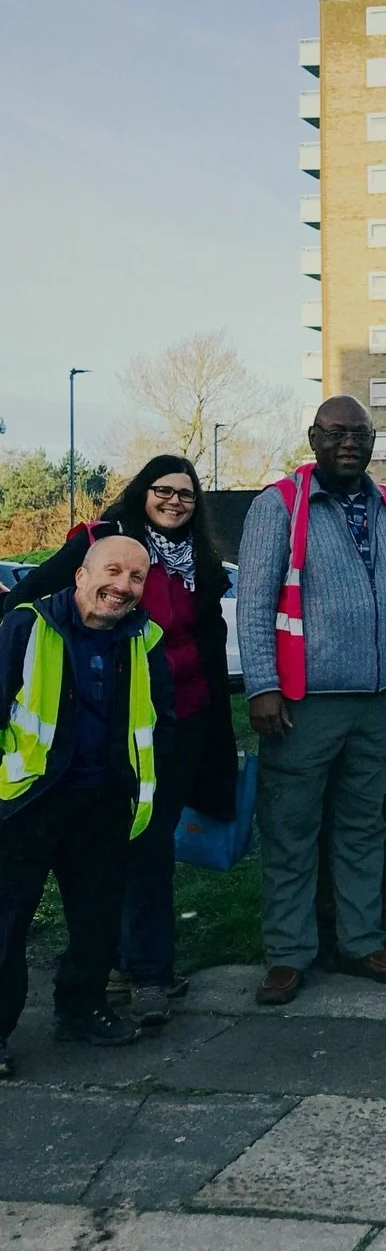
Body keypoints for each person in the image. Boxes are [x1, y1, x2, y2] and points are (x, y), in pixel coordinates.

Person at [3, 456, 236, 1026]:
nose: (175, 501)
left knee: (137, 862)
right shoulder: (97, 553)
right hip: (65, 757)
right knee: (40, 894)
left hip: (163, 733)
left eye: (186, 494)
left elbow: (206, 640)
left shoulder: (191, 573)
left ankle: (133, 977)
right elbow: (29, 598)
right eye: (163, 490)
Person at [237, 395, 386, 1007]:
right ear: (313, 437)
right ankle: (288, 954)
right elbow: (254, 604)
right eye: (336, 433)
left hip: (376, 700)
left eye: (360, 433)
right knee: (291, 829)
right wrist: (262, 685)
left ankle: (360, 942)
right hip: (304, 702)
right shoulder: (279, 506)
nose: (349, 443)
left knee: (360, 828)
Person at [0, 536, 173, 1074]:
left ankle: (82, 1009)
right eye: (113, 571)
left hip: (103, 802)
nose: (122, 586)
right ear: (80, 574)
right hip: (28, 801)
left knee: (97, 919)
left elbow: (159, 716)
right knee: (6, 923)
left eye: (136, 578)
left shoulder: (144, 638)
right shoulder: (27, 626)